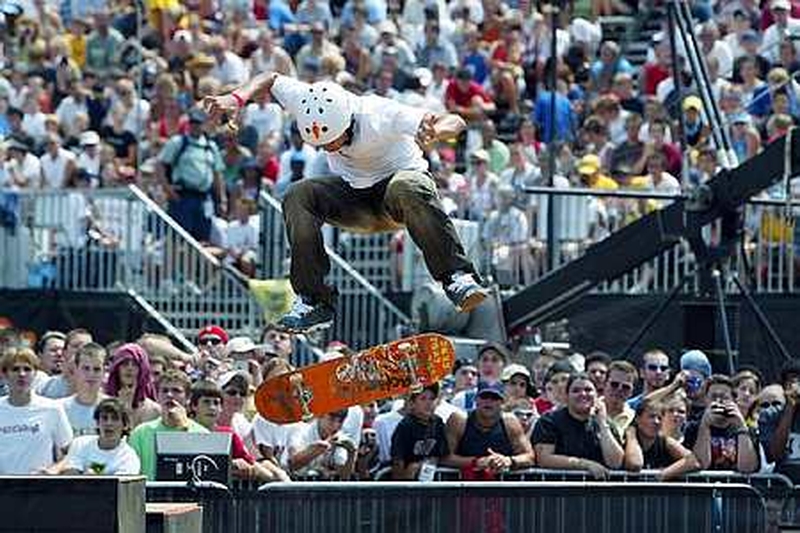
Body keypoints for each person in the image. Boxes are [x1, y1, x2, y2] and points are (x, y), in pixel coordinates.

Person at [204, 71, 488, 332]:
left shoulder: (379, 114)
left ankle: (456, 276)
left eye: (334, 141)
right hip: (355, 199)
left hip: (399, 197)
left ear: (349, 124)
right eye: (323, 145)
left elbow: (456, 120)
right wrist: (236, 97)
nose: (329, 149)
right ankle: (314, 300)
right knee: (298, 194)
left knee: (406, 184)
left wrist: (436, 132)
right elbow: (271, 78)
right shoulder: (309, 100)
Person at [532, 372, 625, 479]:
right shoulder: (549, 421)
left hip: (596, 492)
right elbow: (544, 459)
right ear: (566, 396)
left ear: (597, 395)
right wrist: (585, 465)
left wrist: (603, 425)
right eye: (576, 391)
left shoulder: (606, 423)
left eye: (588, 390)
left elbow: (615, 463)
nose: (583, 394)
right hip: (558, 490)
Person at [0, 348, 73, 474]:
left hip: (40, 489)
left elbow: (72, 453)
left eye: (27, 369)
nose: (22, 374)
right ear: (5, 374)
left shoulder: (52, 409)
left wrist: (53, 470)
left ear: (35, 374)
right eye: (15, 369)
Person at [128, 369, 209, 480]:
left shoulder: (202, 434)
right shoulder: (140, 433)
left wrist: (183, 426)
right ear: (157, 396)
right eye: (164, 391)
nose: (169, 395)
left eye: (176, 391)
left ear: (188, 397)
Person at [443, 380, 535, 476]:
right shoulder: (460, 420)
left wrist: (508, 460)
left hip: (501, 486)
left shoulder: (510, 422)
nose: (489, 401)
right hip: (462, 485)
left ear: (502, 402)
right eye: (484, 397)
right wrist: (476, 462)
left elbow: (530, 457)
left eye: (494, 398)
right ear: (476, 399)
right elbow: (445, 457)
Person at [688, 375, 759, 473]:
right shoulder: (693, 428)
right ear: (705, 400)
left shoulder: (747, 430)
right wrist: (705, 426)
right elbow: (701, 464)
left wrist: (741, 426)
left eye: (724, 397)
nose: (718, 401)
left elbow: (747, 468)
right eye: (713, 397)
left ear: (734, 400)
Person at [58, 398, 141, 475]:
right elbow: (70, 477)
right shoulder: (80, 444)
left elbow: (120, 488)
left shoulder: (129, 458)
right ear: (97, 423)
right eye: (104, 418)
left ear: (125, 425)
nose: (109, 423)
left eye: (115, 419)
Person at [623, 398, 697, 480]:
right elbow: (635, 464)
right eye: (651, 417)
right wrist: (631, 436)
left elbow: (694, 461)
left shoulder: (665, 441)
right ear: (638, 419)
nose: (656, 422)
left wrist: (665, 473)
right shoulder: (627, 439)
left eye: (660, 418)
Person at [390, 384, 449, 480]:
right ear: (412, 403)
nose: (428, 403)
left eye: (432, 399)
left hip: (429, 474)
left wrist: (425, 464)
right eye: (423, 399)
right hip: (407, 475)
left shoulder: (437, 422)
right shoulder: (405, 426)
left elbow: (442, 453)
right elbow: (398, 460)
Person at [59, 342, 107, 435]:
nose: (91, 374)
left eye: (96, 369)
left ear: (104, 372)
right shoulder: (60, 409)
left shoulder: (114, 408)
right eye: (86, 368)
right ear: (76, 369)